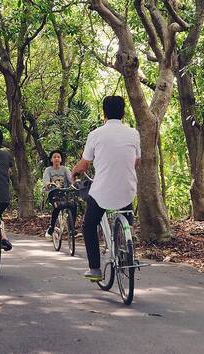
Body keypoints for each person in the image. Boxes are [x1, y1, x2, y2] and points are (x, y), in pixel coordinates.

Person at [72, 95, 140, 281]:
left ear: (104, 113)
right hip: (127, 188)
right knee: (126, 207)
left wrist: (74, 172)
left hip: (102, 190)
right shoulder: (134, 134)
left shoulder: (95, 134)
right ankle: (128, 239)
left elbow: (84, 165)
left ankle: (95, 269)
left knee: (89, 225)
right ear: (124, 113)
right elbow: (136, 162)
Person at [42, 150, 76, 239]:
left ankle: (72, 228)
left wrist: (74, 183)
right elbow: (46, 182)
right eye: (54, 157)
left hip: (64, 192)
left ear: (61, 159)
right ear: (51, 159)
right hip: (53, 192)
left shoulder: (65, 169)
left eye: (58, 157)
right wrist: (48, 184)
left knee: (73, 205)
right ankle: (52, 227)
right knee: (57, 206)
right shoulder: (48, 170)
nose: (56, 158)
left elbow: (71, 180)